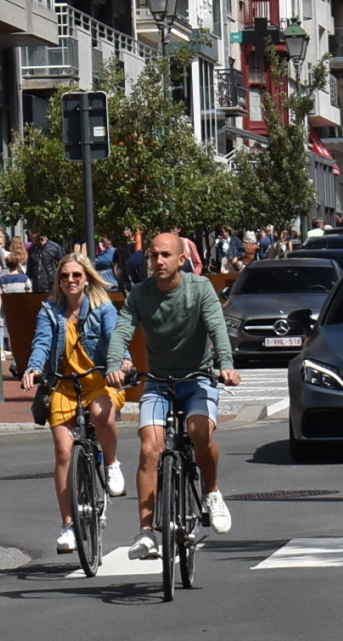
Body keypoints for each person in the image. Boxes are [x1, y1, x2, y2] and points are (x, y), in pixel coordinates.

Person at [106, 229, 242, 559]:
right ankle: (147, 532)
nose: (158, 261)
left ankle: (211, 493)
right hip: (158, 380)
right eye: (153, 255)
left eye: (166, 255)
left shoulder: (200, 288)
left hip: (198, 377)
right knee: (150, 448)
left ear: (182, 259)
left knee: (198, 431)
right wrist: (113, 363)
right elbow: (123, 329)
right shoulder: (140, 294)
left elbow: (216, 327)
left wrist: (225, 364)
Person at [21, 252, 127, 553]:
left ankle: (111, 463)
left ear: (86, 279)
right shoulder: (49, 311)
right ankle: (68, 525)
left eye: (76, 276)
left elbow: (114, 338)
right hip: (65, 385)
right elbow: (41, 343)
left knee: (99, 411)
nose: (70, 281)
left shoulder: (103, 308)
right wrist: (34, 368)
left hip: (99, 381)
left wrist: (122, 363)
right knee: (63, 452)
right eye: (64, 276)